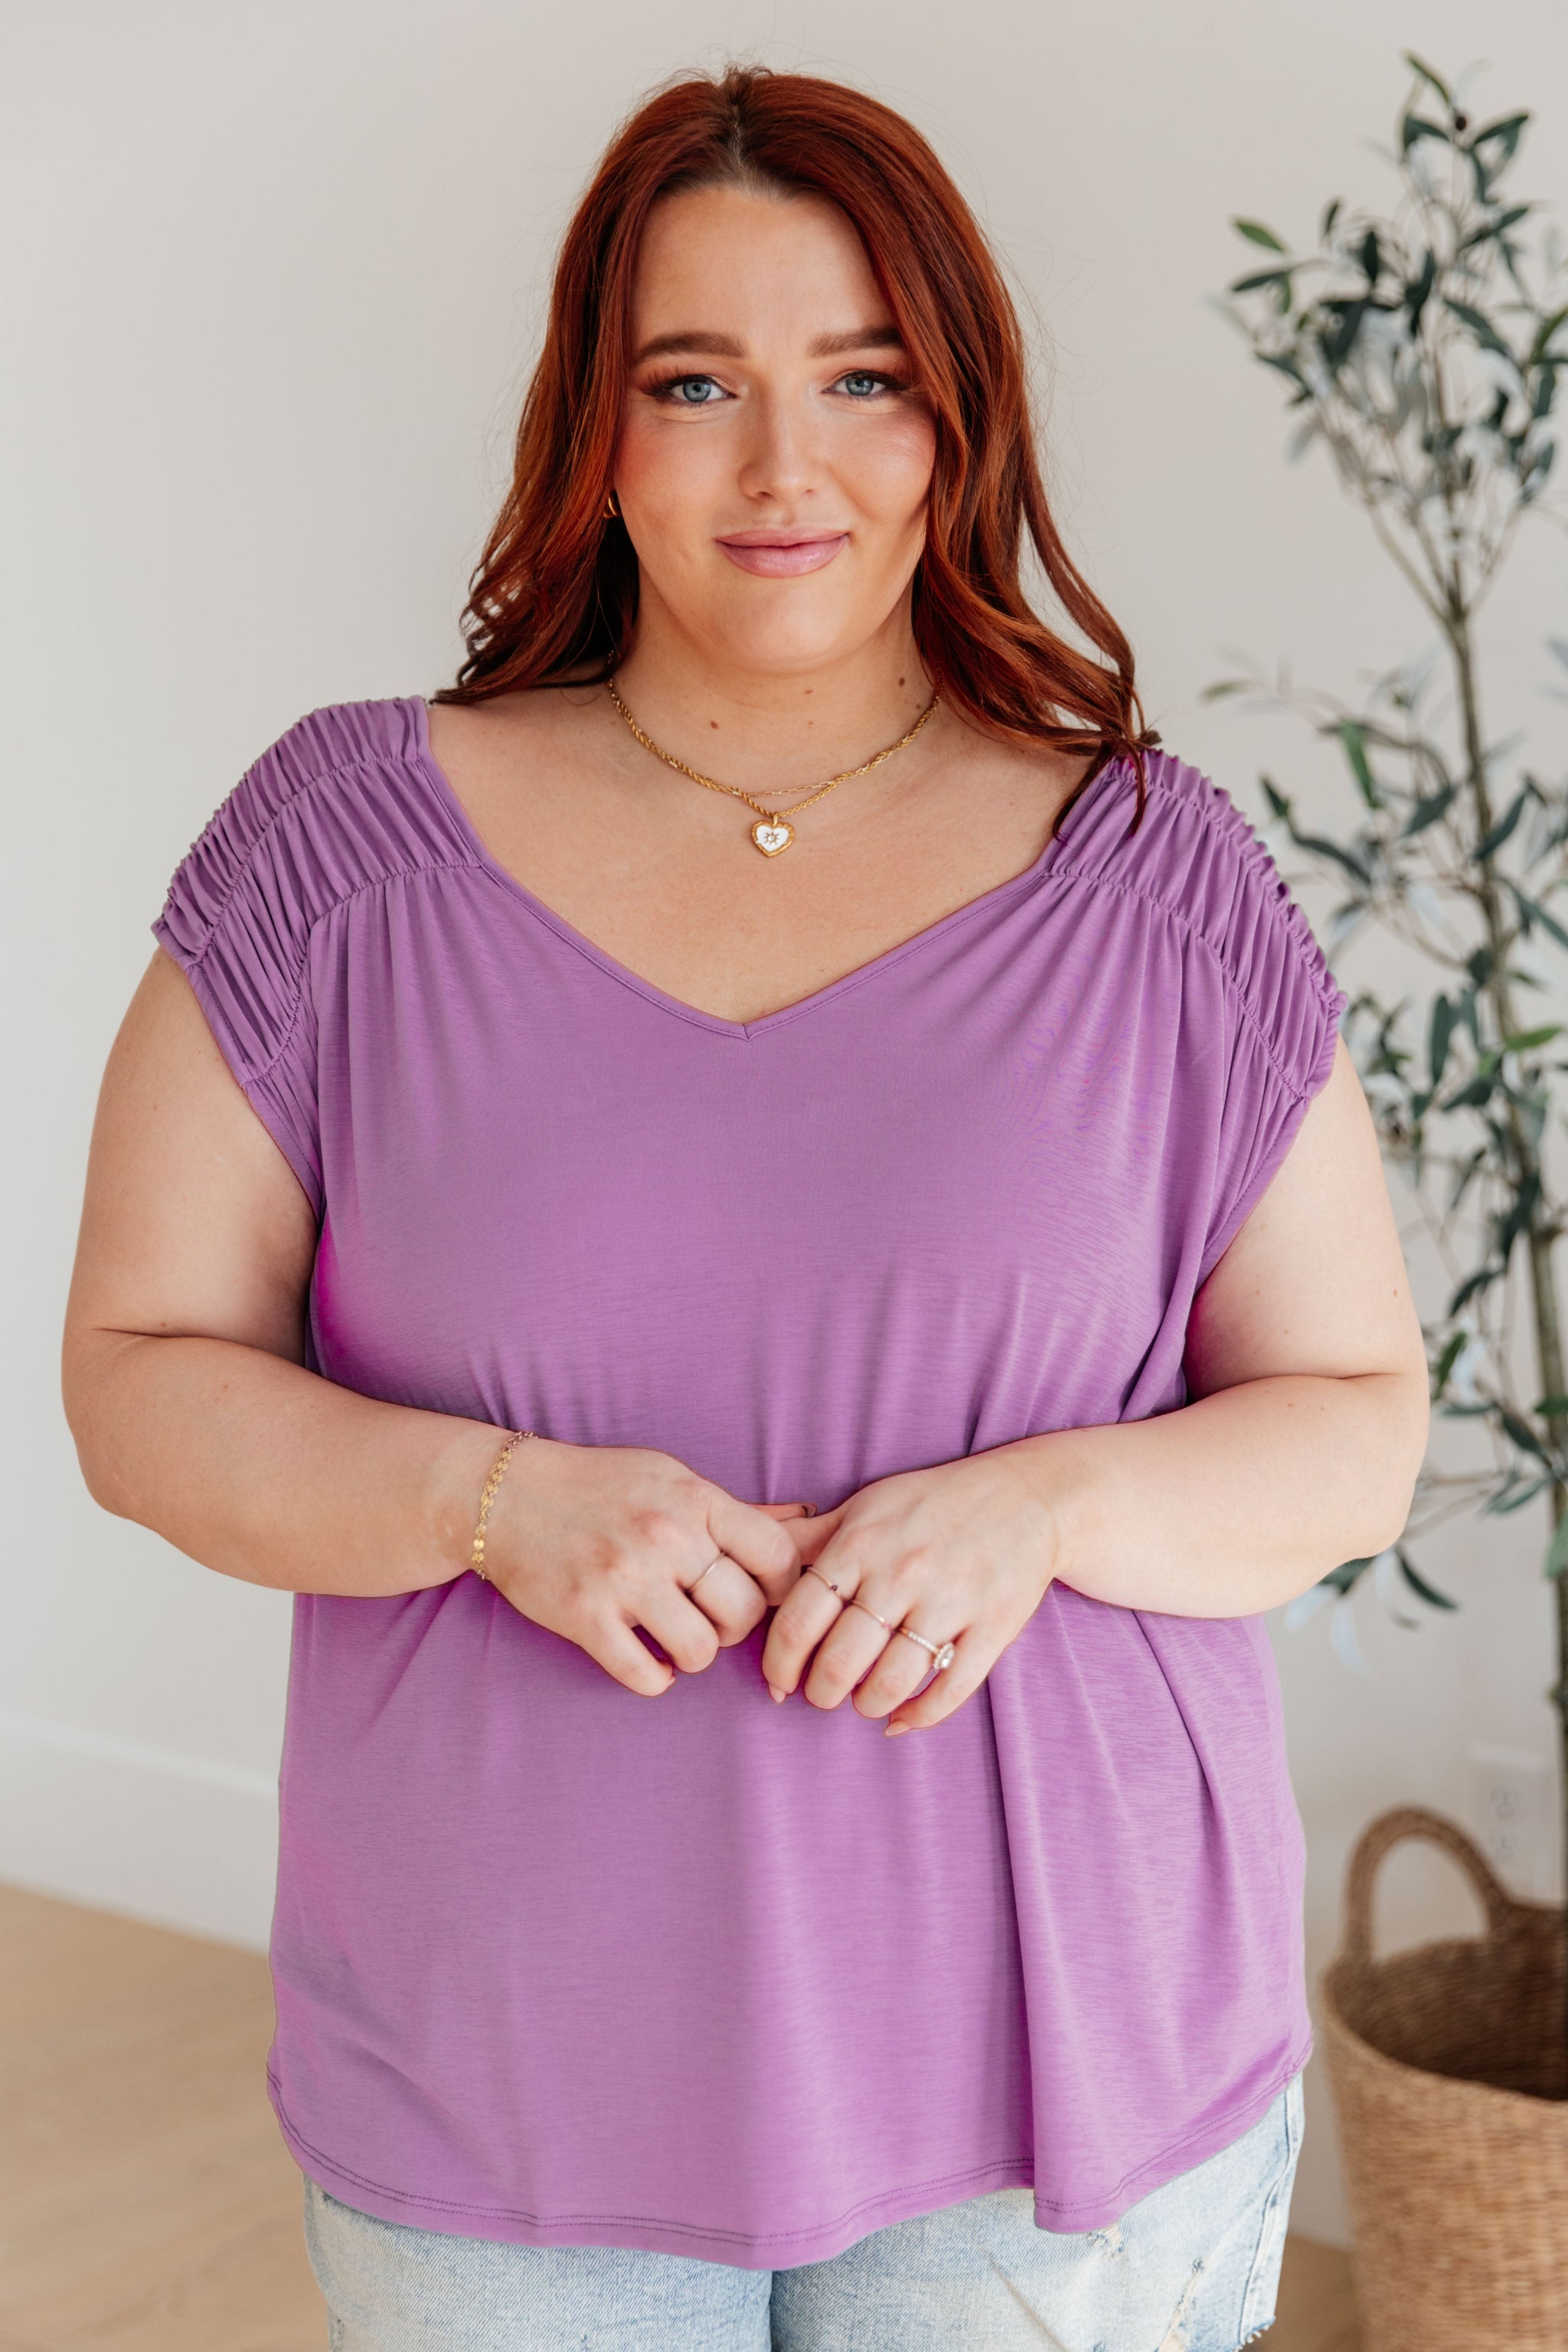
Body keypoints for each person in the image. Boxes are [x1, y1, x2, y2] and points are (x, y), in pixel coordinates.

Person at [60, 61, 1429, 2352]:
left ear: (958, 420)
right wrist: (490, 1498)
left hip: (1061, 2089)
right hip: (501, 2076)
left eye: (863, 379)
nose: (786, 467)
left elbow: (1356, 1420)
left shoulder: (1151, 877)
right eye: (695, 382)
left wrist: (1045, 1509)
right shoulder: (344, 856)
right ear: (593, 429)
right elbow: (135, 1378)